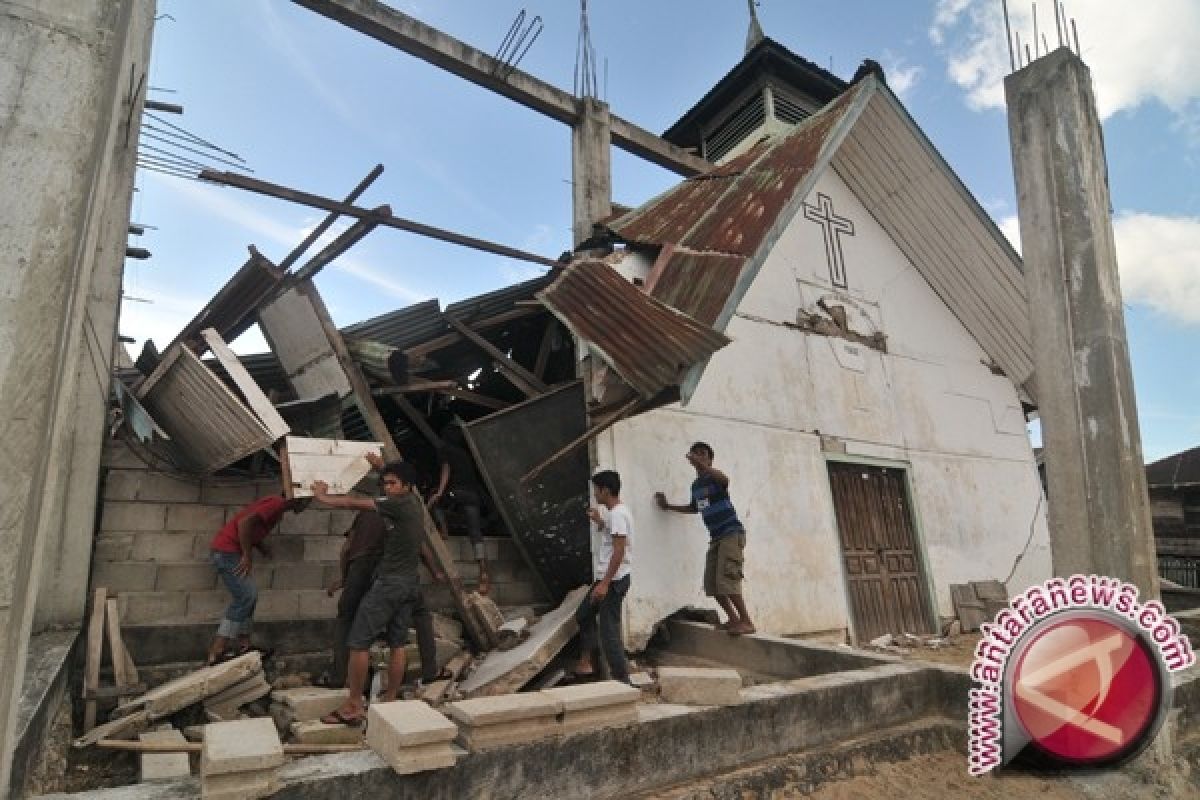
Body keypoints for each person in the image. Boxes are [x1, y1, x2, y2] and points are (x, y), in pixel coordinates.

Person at [311, 461, 430, 725]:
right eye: (385, 483)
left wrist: (322, 496)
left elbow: (353, 503)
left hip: (389, 584)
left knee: (358, 641)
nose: (387, 488)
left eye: (392, 484)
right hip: (409, 583)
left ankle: (354, 704)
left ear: (406, 487)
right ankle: (389, 699)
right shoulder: (414, 503)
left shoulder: (395, 504)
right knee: (397, 643)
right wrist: (382, 465)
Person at [325, 509, 446, 689]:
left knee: (345, 619)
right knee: (419, 615)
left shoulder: (365, 513)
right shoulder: (406, 511)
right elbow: (421, 547)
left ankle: (338, 678)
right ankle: (430, 671)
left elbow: (347, 549)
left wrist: (345, 578)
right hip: (390, 571)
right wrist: (435, 572)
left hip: (359, 567)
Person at [655, 442, 756, 635]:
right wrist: (668, 506)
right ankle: (733, 620)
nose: (699, 457)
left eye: (704, 454)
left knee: (729, 579)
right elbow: (694, 508)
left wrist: (704, 466)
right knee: (713, 584)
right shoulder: (696, 486)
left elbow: (726, 479)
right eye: (696, 454)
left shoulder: (715, 478)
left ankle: (746, 621)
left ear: (710, 460)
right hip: (716, 537)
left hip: (731, 533)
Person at [207, 493, 310, 665]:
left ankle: (244, 645)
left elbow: (252, 529)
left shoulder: (279, 509)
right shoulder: (276, 503)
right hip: (227, 551)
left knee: (250, 596)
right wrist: (247, 555)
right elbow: (244, 523)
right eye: (308, 500)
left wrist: (261, 547)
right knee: (246, 596)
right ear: (298, 497)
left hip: (230, 551)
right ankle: (217, 649)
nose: (307, 505)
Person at [575, 470, 632, 683]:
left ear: (605, 490)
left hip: (614, 581)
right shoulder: (616, 513)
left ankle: (623, 682)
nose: (594, 495)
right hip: (609, 579)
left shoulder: (618, 514)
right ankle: (588, 662)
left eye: (596, 490)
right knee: (583, 615)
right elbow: (612, 536)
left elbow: (619, 551)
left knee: (609, 633)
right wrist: (599, 521)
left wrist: (605, 584)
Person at [428, 424, 490, 594]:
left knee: (434, 500)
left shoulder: (444, 450)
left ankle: (444, 530)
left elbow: (446, 470)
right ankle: (483, 570)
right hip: (473, 495)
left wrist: (440, 492)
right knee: (475, 532)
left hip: (457, 493)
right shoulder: (465, 454)